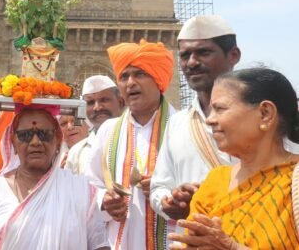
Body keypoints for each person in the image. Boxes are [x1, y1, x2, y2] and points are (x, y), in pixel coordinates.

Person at [169, 68, 299, 249]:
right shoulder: (215, 182)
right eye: (210, 111)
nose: (209, 120)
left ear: (265, 113)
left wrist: (231, 247)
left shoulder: (293, 181)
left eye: (220, 109)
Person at [0, 104, 109, 250]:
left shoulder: (80, 190)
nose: (36, 142)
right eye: (25, 135)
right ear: (13, 143)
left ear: (57, 140)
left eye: (44, 134)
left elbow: (100, 246)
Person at [85, 40, 177, 250]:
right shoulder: (108, 130)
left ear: (158, 80)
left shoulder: (182, 127)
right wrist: (104, 200)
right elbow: (89, 185)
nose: (130, 83)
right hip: (117, 240)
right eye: (124, 76)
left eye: (140, 74)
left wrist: (164, 190)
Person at [150, 15, 240, 223]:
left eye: (203, 52)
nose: (192, 62)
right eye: (185, 55)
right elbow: (159, 186)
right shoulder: (177, 123)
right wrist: (171, 202)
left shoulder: (259, 116)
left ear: (233, 55)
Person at [65, 75, 125, 174]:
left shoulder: (140, 139)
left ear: (121, 102)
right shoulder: (76, 153)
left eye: (104, 100)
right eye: (90, 102)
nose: (97, 108)